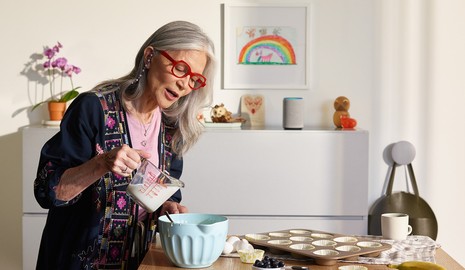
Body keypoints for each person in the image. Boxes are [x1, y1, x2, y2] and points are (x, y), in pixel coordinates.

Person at [33, 20, 216, 270]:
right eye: (181, 69)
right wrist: (101, 164)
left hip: (139, 262)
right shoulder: (93, 108)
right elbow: (48, 190)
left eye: (194, 78)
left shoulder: (172, 128)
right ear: (150, 56)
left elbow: (165, 192)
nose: (185, 84)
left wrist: (168, 206)